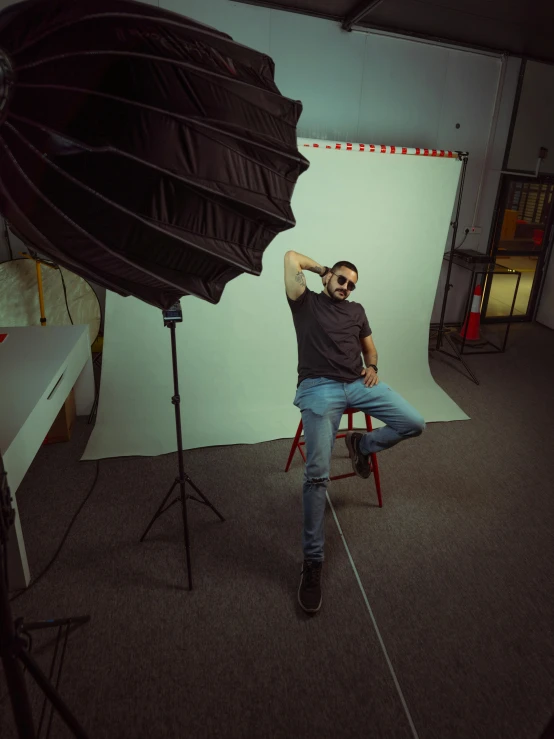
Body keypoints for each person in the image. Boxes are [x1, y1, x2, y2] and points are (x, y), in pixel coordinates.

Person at [284, 250, 426, 614]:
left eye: (351, 284)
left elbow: (371, 348)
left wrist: (373, 366)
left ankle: (362, 443)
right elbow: (289, 258)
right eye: (342, 279)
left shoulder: (357, 311)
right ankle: (312, 562)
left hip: (357, 383)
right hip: (318, 387)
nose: (346, 286)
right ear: (330, 277)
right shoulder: (305, 301)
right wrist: (321, 269)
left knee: (414, 423)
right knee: (317, 475)